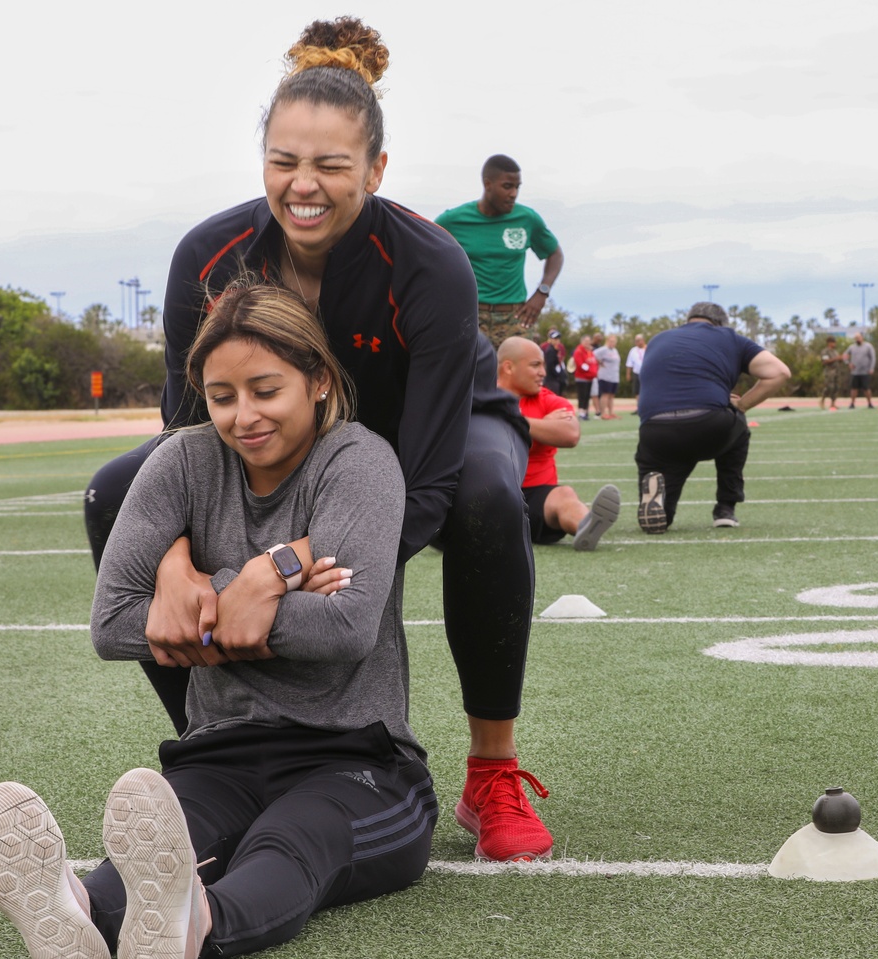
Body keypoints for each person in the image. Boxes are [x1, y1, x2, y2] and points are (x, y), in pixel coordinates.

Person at [82, 18, 553, 864]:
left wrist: (290, 575)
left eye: (332, 166)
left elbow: (430, 481)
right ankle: (222, 751)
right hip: (290, 441)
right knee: (116, 490)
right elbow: (186, 444)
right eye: (284, 162)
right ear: (262, 158)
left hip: (431, 438)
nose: (305, 186)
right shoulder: (208, 256)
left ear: (375, 169)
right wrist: (177, 570)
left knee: (486, 500)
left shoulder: (431, 264)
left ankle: (493, 770)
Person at [0, 283, 438, 959]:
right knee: (160, 846)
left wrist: (214, 591)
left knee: (292, 841)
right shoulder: (181, 462)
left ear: (316, 381)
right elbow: (114, 623)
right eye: (223, 397)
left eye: (265, 390)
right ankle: (74, 909)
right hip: (219, 751)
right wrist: (252, 595)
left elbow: (346, 626)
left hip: (359, 762)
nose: (243, 417)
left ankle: (200, 923)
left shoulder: (360, 462)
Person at [634, 302, 791, 532]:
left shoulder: (658, 339)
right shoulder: (729, 337)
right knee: (738, 425)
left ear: (689, 319)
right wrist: (743, 404)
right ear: (720, 324)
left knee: (664, 470)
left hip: (655, 431)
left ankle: (660, 509)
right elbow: (779, 372)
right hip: (707, 425)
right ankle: (725, 508)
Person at [496, 337, 620, 550]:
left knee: (564, 495)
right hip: (491, 494)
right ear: (509, 367)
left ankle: (585, 526)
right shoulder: (478, 397)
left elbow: (570, 434)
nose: (543, 372)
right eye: (535, 365)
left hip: (537, 496)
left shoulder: (548, 399)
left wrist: (515, 420)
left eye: (543, 365)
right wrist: (541, 426)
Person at [435, 155, 564, 347]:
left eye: (517, 187)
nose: (513, 193)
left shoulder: (527, 219)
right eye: (507, 186)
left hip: (515, 318)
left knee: (520, 373)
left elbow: (555, 254)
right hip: (471, 316)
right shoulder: (453, 220)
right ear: (488, 184)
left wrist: (542, 293)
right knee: (471, 376)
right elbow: (424, 254)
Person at [844, 331, 876, 408]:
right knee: (854, 388)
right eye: (856, 338)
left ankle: (869, 403)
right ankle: (852, 403)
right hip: (855, 372)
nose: (857, 339)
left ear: (862, 337)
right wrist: (848, 363)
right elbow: (844, 355)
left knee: (866, 388)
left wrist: (871, 368)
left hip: (865, 371)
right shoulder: (852, 347)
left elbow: (873, 358)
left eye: (858, 337)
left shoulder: (868, 346)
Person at [593, 334, 621, 419]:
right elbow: (593, 354)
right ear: (607, 341)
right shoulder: (603, 349)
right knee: (605, 394)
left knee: (612, 395)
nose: (613, 343)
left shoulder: (615, 350)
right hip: (605, 376)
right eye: (611, 341)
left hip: (614, 376)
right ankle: (603, 413)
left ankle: (611, 412)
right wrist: (600, 363)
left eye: (614, 341)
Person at [572, 335, 597, 420]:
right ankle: (581, 412)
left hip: (590, 378)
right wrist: (590, 370)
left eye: (588, 341)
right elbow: (580, 364)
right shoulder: (578, 351)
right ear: (582, 342)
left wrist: (594, 372)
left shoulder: (590, 351)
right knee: (582, 396)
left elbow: (593, 362)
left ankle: (586, 412)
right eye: (585, 341)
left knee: (587, 396)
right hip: (581, 377)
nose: (587, 343)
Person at [818, 336, 844, 410]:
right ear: (829, 343)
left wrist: (841, 359)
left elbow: (838, 360)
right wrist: (835, 358)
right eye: (833, 342)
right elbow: (825, 361)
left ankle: (833, 403)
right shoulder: (825, 351)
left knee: (836, 387)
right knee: (829, 387)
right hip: (829, 371)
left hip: (837, 371)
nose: (834, 344)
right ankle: (822, 400)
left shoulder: (835, 352)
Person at [540, 327, 567, 395]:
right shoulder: (550, 351)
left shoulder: (555, 349)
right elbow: (550, 366)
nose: (557, 341)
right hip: (551, 379)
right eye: (555, 339)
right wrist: (557, 374)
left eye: (558, 339)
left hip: (555, 378)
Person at [625, 334, 646, 415]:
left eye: (639, 340)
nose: (638, 343)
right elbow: (629, 363)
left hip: (646, 373)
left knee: (646, 390)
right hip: (637, 373)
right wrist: (628, 374)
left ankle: (646, 407)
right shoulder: (633, 350)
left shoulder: (648, 348)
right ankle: (639, 408)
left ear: (643, 340)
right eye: (636, 341)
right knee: (637, 391)